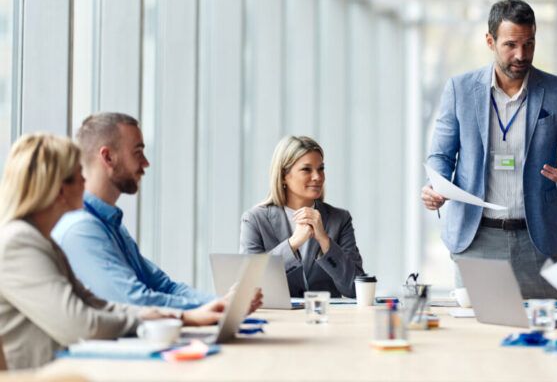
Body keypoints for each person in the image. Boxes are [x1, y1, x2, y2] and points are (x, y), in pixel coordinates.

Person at [0, 134, 224, 369]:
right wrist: (143, 322)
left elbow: (96, 304)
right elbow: (79, 324)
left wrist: (181, 317)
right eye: (79, 176)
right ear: (59, 189)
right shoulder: (19, 243)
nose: (85, 183)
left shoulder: (44, 241)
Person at [422, 0, 557, 298]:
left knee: (546, 332)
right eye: (511, 45)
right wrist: (436, 185)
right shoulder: (460, 90)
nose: (521, 54)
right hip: (476, 239)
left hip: (539, 240)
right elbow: (441, 155)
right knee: (479, 338)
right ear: (490, 41)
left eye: (529, 44)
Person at [52, 113, 260, 311]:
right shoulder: (81, 228)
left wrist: (221, 302)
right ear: (108, 157)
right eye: (138, 152)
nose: (145, 163)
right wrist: (219, 307)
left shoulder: (110, 224)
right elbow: (134, 301)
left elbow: (164, 286)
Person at [239, 136, 364, 298]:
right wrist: (292, 243)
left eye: (321, 169)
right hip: (276, 320)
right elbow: (249, 286)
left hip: (327, 320)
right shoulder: (254, 220)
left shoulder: (339, 219)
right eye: (306, 169)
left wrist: (325, 242)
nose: (317, 177)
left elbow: (356, 288)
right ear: (284, 175)